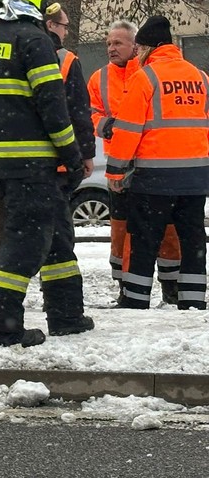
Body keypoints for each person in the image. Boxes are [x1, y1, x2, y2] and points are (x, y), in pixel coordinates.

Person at [0, 0, 90, 348]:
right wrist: (72, 157)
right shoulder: (35, 40)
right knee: (24, 245)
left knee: (55, 238)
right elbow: (53, 109)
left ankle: (67, 315)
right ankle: (1, 329)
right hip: (39, 166)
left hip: (11, 166)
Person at [105, 15, 208, 310]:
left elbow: (127, 130)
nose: (137, 54)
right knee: (192, 240)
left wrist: (115, 170)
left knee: (144, 240)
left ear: (149, 48)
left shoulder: (145, 78)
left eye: (139, 49)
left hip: (154, 178)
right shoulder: (200, 77)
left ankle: (135, 300)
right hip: (195, 178)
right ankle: (192, 301)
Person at [88, 20, 181, 305]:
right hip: (120, 165)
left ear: (135, 46)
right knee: (121, 230)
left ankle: (171, 287)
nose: (111, 49)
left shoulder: (150, 73)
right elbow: (89, 113)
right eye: (108, 43)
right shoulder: (98, 79)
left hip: (153, 164)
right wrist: (108, 126)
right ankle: (126, 288)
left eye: (118, 43)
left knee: (167, 229)